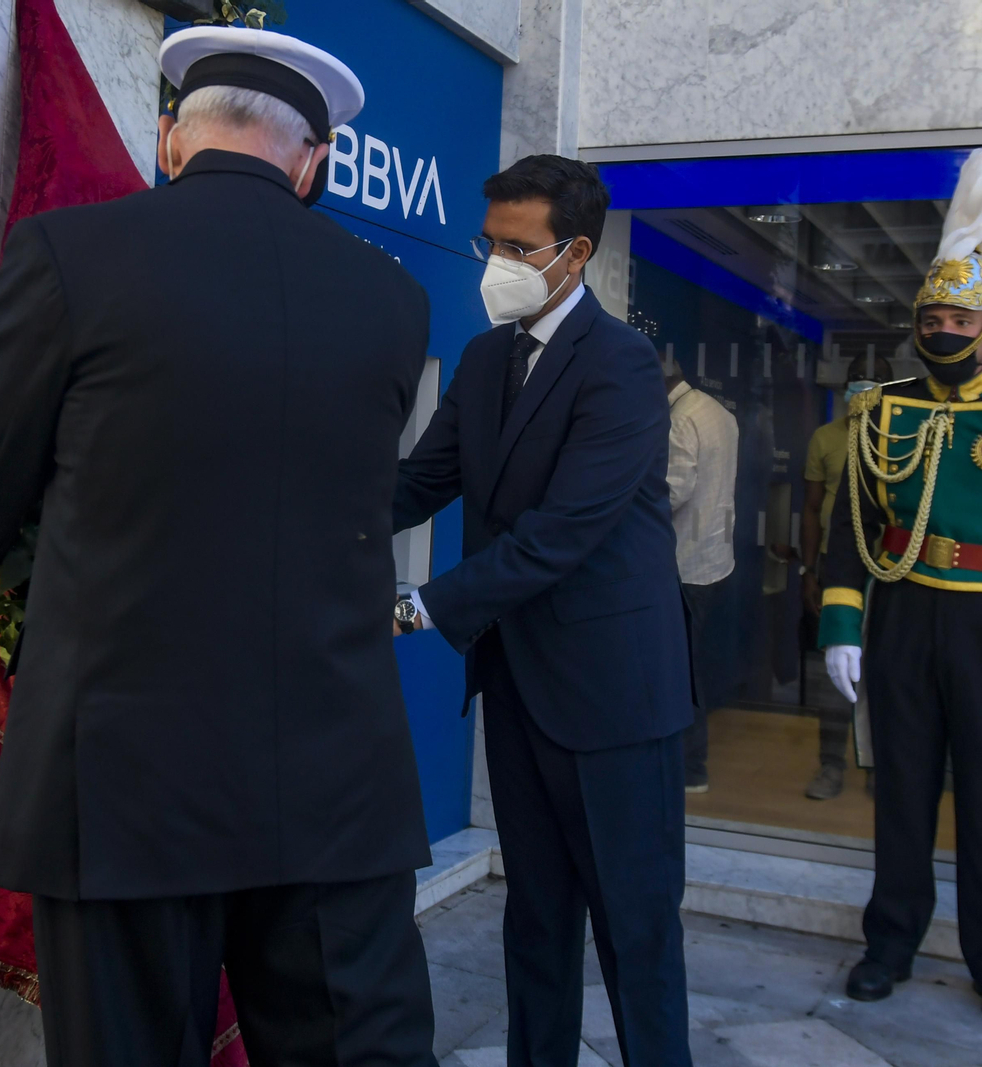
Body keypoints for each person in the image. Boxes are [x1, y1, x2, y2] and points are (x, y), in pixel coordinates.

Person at [0, 26, 438, 1067]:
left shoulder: (73, 256)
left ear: (168, 139)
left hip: (124, 785)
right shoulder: (393, 298)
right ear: (312, 160)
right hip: (334, 780)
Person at [392, 155, 694, 1067]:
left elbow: (564, 533)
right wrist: (308, 518)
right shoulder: (487, 358)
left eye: (518, 247)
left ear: (576, 253)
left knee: (634, 933)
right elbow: (419, 481)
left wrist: (417, 607)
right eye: (490, 242)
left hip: (614, 700)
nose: (497, 262)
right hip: (519, 682)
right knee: (537, 919)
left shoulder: (622, 364)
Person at [818, 146, 982, 1031]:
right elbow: (850, 528)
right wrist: (842, 623)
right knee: (899, 787)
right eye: (931, 314)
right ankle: (890, 942)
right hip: (902, 614)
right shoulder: (880, 408)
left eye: (959, 318)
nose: (941, 329)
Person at [799, 353, 893, 800]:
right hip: (837, 570)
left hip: (893, 574)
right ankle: (830, 766)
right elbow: (813, 509)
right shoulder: (825, 438)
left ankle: (881, 768)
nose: (862, 391)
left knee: (888, 673)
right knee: (833, 675)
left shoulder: (908, 438)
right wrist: (808, 570)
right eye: (856, 383)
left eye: (872, 384)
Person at [663, 361, 737, 794]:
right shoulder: (718, 411)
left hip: (683, 561)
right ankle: (691, 764)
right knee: (691, 664)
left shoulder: (680, 419)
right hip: (713, 558)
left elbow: (673, 490)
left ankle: (691, 767)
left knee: (679, 670)